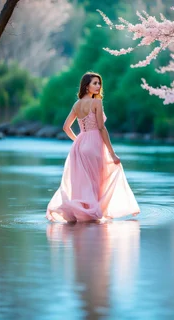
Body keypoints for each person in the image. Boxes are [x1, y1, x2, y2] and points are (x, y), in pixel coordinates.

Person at [45, 71, 140, 223]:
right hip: (94, 143)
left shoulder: (77, 104)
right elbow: (101, 128)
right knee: (98, 180)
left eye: (99, 83)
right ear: (86, 86)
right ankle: (93, 215)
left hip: (80, 145)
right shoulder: (97, 102)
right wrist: (113, 153)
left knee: (84, 182)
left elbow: (65, 127)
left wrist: (78, 141)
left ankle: (83, 215)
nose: (98, 86)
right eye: (94, 83)